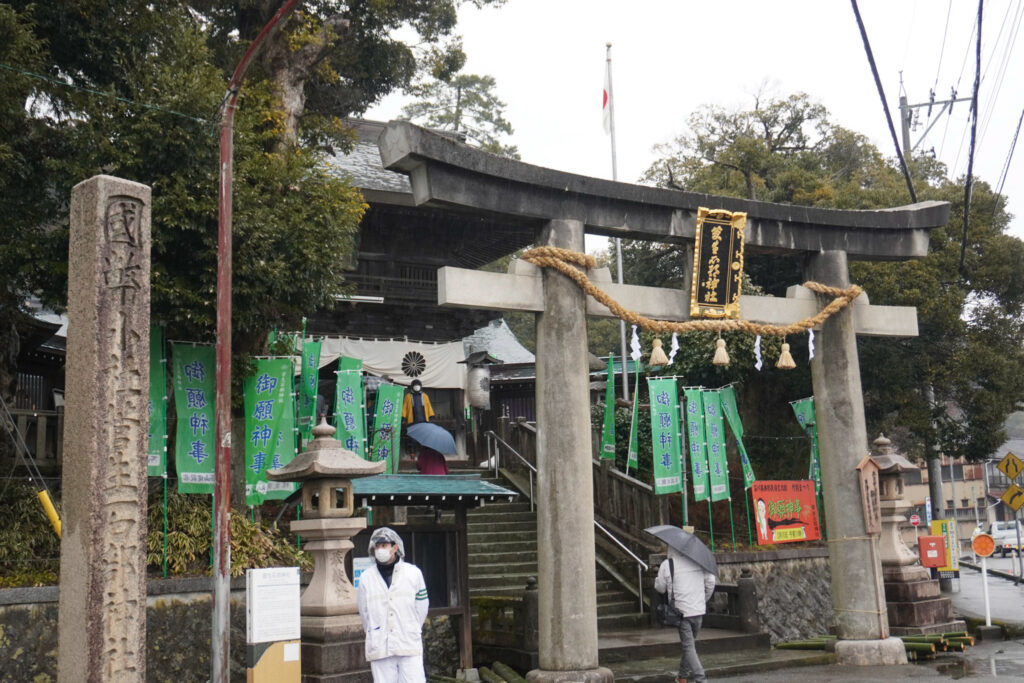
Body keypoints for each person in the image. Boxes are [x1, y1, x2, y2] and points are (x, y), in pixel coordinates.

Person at [356, 527, 430, 683]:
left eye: (383, 545)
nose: (379, 549)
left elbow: (422, 606)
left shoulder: (413, 573)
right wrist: (373, 631)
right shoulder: (366, 578)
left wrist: (413, 627)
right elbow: (364, 613)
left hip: (408, 642)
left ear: (395, 547)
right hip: (380, 644)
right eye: (377, 546)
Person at [654, 546, 716, 683]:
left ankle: (701, 678)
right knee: (690, 645)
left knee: (689, 647)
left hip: (681, 612)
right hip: (698, 610)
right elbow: (711, 581)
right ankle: (682, 676)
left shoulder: (667, 564)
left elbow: (660, 588)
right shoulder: (699, 562)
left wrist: (657, 580)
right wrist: (703, 599)